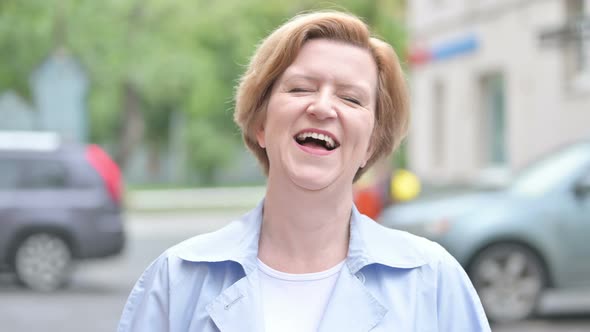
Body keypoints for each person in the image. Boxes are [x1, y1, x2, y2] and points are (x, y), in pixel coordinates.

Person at [117, 11, 491, 332]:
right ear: (260, 124)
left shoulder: (433, 280)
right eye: (300, 88)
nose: (323, 107)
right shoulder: (177, 279)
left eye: (350, 98)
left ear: (372, 144)